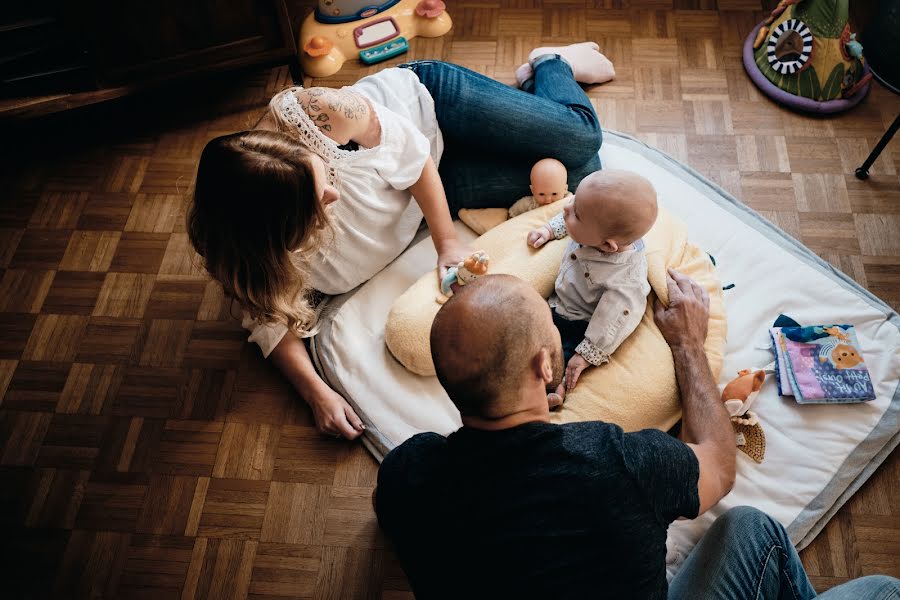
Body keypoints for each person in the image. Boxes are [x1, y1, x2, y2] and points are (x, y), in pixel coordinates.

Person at [374, 273, 900, 599]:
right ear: (543, 365)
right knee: (883, 590)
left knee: (750, 532)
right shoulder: (614, 460)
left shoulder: (406, 474)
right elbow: (718, 465)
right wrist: (689, 346)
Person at [188, 43, 615, 439]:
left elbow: (415, 158)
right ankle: (527, 106)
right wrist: (317, 393)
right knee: (581, 178)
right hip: (435, 185)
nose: (333, 195)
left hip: (430, 111)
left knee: (582, 138)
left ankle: (551, 63)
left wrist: (447, 242)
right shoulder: (253, 259)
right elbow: (268, 324)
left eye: (323, 178)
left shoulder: (324, 114)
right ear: (278, 235)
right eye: (320, 201)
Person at [528, 169, 658, 407]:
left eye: (576, 213)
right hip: (555, 301)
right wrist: (549, 230)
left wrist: (585, 355)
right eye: (574, 200)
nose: (566, 207)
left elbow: (614, 321)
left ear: (608, 246)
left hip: (577, 321)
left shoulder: (626, 280)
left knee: (560, 356)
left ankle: (554, 390)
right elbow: (571, 214)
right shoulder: (590, 223)